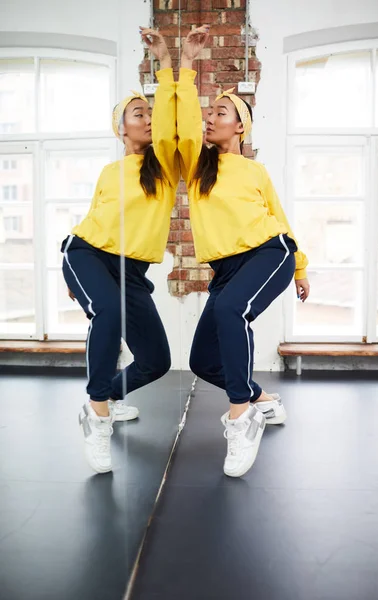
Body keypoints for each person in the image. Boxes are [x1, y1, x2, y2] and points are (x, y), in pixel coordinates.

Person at [176, 25, 310, 478]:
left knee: (233, 312)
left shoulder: (255, 171)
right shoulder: (197, 166)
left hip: (270, 253)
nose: (210, 118)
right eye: (208, 112)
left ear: (241, 126)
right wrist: (188, 62)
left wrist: (301, 267)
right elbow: (182, 123)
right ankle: (260, 398)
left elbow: (280, 218)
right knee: (201, 359)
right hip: (226, 268)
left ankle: (241, 418)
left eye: (220, 113)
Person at [62, 29, 179, 474]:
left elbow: (172, 117)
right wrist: (72, 276)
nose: (147, 119)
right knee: (107, 314)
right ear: (120, 127)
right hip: (87, 254)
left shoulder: (166, 165)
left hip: (131, 271)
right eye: (137, 113)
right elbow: (90, 222)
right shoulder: (111, 171)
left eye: (149, 112)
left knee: (157, 360)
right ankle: (96, 413)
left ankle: (109, 393)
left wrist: (166, 58)